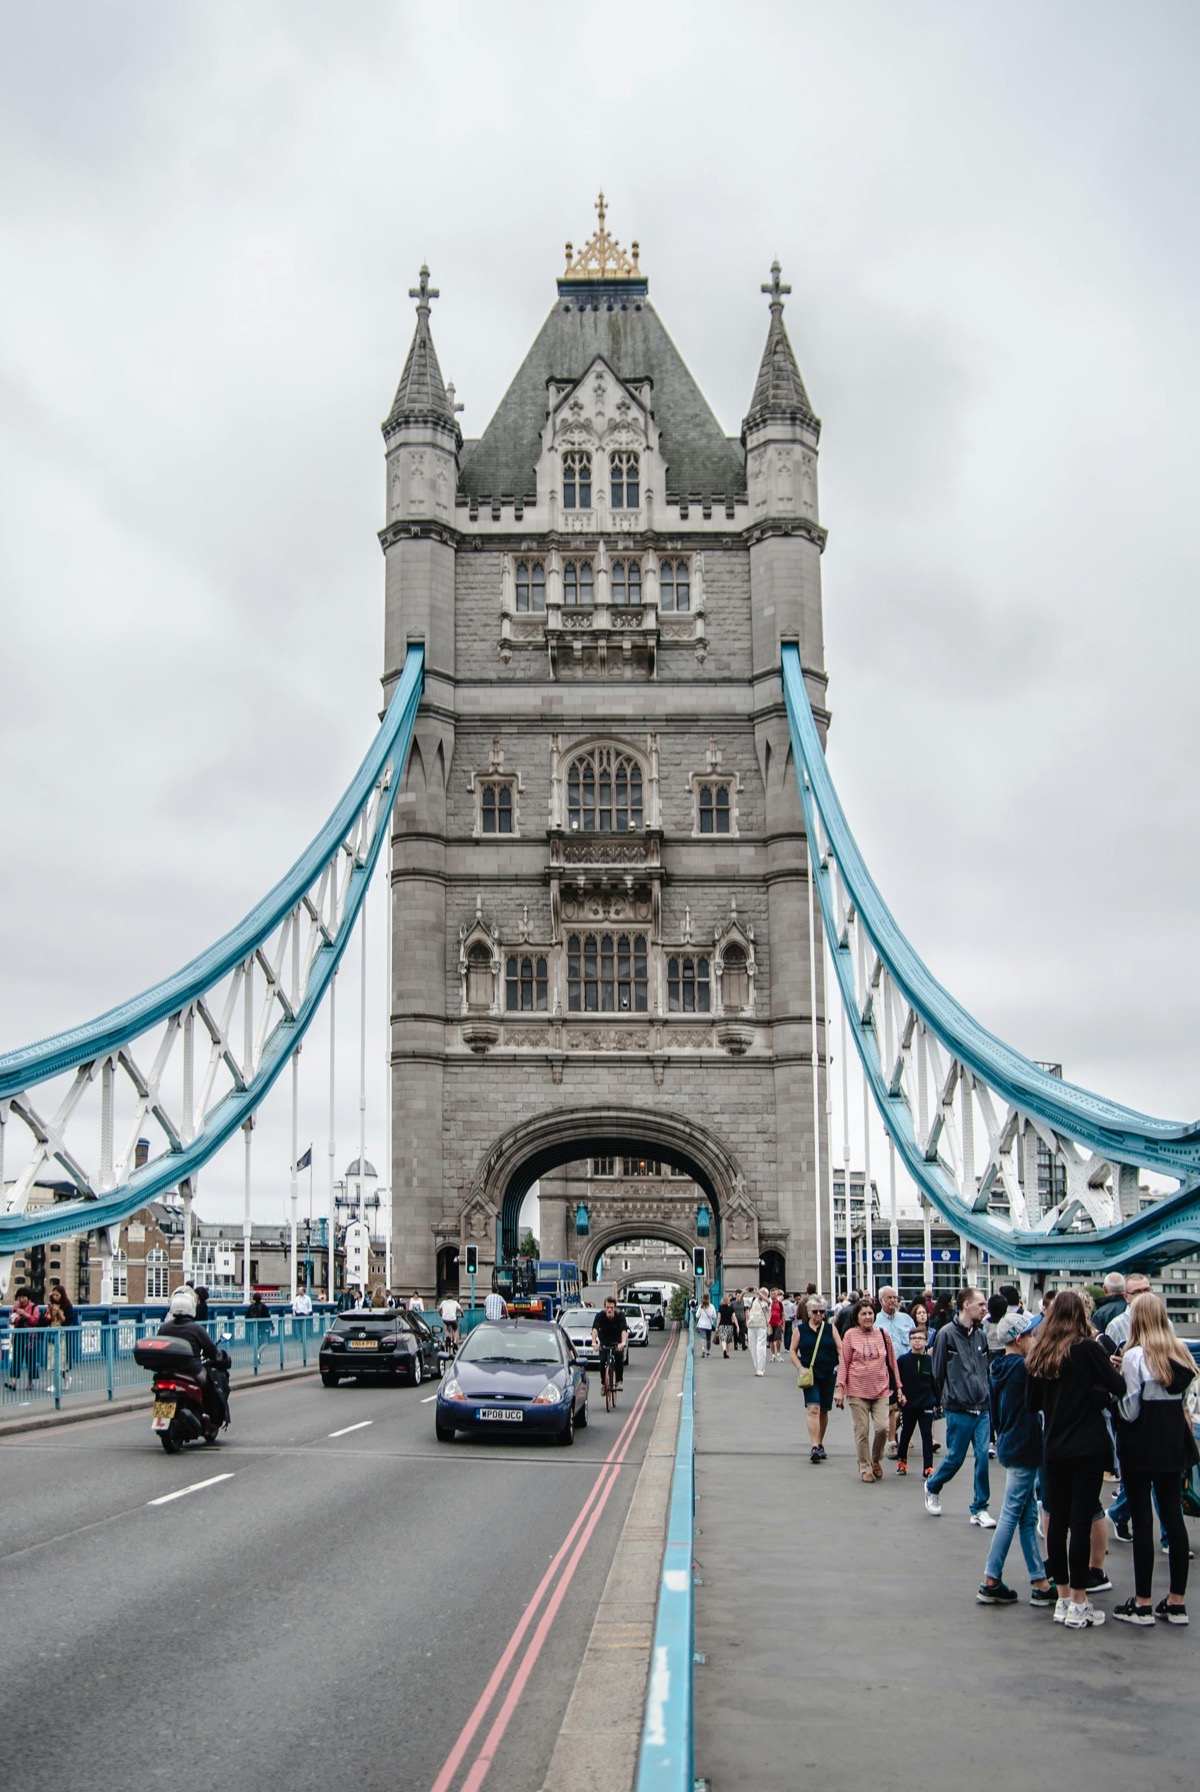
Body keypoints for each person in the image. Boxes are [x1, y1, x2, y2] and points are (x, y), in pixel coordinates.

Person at [1025, 1288, 1126, 1628]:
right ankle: (1080, 1603)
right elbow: (1119, 1387)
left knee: (1057, 1519)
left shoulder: (1039, 1352)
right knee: (1081, 1522)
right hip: (1088, 1446)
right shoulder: (1087, 1349)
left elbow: (1033, 1404)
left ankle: (1063, 1598)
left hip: (1054, 1445)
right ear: (1081, 1315)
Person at [1111, 1293, 1195, 1625]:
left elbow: (1129, 1411)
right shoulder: (1181, 1353)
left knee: (1143, 1520)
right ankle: (1176, 1602)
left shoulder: (1134, 1356)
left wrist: (1114, 1390)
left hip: (1140, 1445)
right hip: (1172, 1444)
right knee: (1173, 1518)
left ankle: (1142, 1603)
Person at [977, 1312, 1055, 1607]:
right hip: (1026, 1444)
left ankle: (1039, 1579)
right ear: (1020, 1339)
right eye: (1031, 1334)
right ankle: (990, 1577)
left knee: (1025, 1516)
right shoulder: (1024, 1369)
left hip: (1010, 1441)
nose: (1035, 1338)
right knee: (1012, 1513)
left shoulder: (998, 1366)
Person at [925, 1288, 994, 1525]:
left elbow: (985, 1369)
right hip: (957, 1406)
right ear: (966, 1305)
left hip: (981, 1406)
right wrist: (944, 1399)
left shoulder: (981, 1336)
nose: (984, 1308)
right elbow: (937, 1372)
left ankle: (979, 1507)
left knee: (983, 1456)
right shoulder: (946, 1334)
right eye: (980, 1304)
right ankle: (933, 1485)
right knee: (955, 1457)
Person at [835, 1298, 903, 1483]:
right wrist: (840, 1387)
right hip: (857, 1390)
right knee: (862, 1431)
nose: (867, 1317)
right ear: (856, 1317)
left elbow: (892, 1363)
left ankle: (875, 1459)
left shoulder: (883, 1334)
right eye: (863, 1314)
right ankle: (864, 1466)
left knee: (883, 1428)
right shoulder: (850, 1335)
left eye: (870, 1313)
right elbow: (844, 1363)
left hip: (881, 1389)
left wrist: (899, 1387)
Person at [157, 1286, 229, 1432]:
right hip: (191, 1370)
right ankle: (210, 1417)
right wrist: (223, 1358)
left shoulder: (164, 1328)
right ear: (191, 1307)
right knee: (211, 1385)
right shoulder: (196, 1329)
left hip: (167, 1370)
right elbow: (212, 1351)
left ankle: (169, 1418)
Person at [790, 1294, 841, 1462]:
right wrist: (800, 1367)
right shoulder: (800, 1330)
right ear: (808, 1312)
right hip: (810, 1376)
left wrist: (841, 1369)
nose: (818, 1315)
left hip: (828, 1374)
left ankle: (820, 1442)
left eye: (822, 1311)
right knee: (813, 1408)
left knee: (824, 1410)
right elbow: (792, 1351)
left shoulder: (830, 1329)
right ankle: (814, 1446)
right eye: (815, 1312)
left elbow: (841, 1350)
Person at [875, 1287, 913, 1455]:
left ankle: (901, 1434)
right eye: (889, 1297)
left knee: (908, 1405)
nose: (893, 1300)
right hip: (886, 1370)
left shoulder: (906, 1319)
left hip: (907, 1368)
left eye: (895, 1297)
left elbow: (915, 1339)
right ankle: (891, 1441)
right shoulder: (875, 1322)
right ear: (881, 1300)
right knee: (891, 1407)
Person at [897, 1326, 938, 1479]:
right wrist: (898, 1399)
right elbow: (897, 1381)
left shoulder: (930, 1361)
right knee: (906, 1433)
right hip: (908, 1404)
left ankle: (928, 1467)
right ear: (909, 1341)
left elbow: (935, 1383)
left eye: (920, 1338)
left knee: (927, 1435)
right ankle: (902, 1460)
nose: (917, 1341)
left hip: (926, 1404)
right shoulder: (903, 1360)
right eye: (914, 1338)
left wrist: (938, 1401)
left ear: (926, 1342)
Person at [6, 1290, 44, 1393]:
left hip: (31, 1337)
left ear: (28, 1297)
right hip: (18, 1335)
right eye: (19, 1297)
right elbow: (11, 1320)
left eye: (23, 1297)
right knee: (16, 1358)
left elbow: (36, 1321)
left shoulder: (33, 1307)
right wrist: (16, 1318)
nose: (21, 1299)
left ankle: (30, 1383)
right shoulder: (15, 1308)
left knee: (30, 1359)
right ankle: (13, 1382)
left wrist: (25, 1314)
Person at [591, 1296, 629, 1392]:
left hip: (617, 1341)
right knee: (603, 1360)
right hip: (604, 1341)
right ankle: (604, 1384)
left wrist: (623, 1342)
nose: (609, 1310)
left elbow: (624, 1330)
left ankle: (619, 1381)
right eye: (607, 1307)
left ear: (615, 1308)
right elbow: (595, 1328)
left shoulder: (620, 1316)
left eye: (611, 1308)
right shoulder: (600, 1315)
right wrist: (594, 1342)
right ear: (604, 1308)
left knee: (619, 1357)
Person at [1092, 1272, 1128, 1336]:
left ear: (1105, 1289)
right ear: (1125, 1288)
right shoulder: (1133, 1307)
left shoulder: (1100, 1314)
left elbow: (1096, 1339)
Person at [746, 1287, 771, 1376]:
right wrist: (743, 1292)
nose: (761, 1294)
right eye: (761, 1292)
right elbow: (740, 1300)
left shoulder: (767, 1301)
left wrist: (759, 1293)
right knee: (752, 1347)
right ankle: (757, 1367)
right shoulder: (753, 1300)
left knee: (760, 1347)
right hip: (751, 1324)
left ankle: (761, 1369)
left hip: (761, 1325)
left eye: (764, 1293)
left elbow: (768, 1302)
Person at [696, 1292, 718, 1357]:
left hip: (701, 1325)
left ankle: (703, 1348)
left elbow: (697, 1315)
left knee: (703, 1337)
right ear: (709, 1299)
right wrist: (712, 1320)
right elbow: (714, 1316)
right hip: (708, 1326)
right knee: (708, 1338)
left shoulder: (701, 1306)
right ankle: (708, 1351)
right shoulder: (712, 1306)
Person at [716, 1291, 736, 1360]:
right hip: (729, 1325)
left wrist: (717, 1326)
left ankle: (724, 1349)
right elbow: (734, 1317)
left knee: (723, 1339)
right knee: (728, 1340)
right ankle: (727, 1353)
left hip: (722, 1325)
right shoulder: (731, 1308)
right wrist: (737, 1325)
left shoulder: (720, 1308)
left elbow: (719, 1318)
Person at [767, 1289, 785, 1362]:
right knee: (771, 1340)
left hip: (778, 1323)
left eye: (774, 1293)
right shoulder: (768, 1302)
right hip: (770, 1324)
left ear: (777, 1295)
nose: (773, 1295)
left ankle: (778, 1354)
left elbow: (783, 1314)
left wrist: (783, 1325)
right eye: (772, 1293)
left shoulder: (779, 1303)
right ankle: (773, 1355)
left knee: (778, 1339)